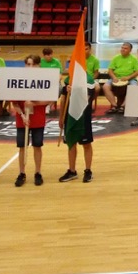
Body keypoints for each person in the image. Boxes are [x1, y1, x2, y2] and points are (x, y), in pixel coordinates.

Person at [57, 54, 95, 184]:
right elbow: (63, 99)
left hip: (83, 117)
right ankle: (72, 171)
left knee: (86, 144)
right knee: (71, 143)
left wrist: (75, 91)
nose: (70, 65)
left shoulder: (88, 80)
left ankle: (88, 170)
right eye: (70, 63)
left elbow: (86, 99)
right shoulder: (68, 80)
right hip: (70, 117)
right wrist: (61, 117)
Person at [10, 54, 47, 187]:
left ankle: (38, 172)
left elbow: (49, 100)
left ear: (38, 65)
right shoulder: (19, 80)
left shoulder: (44, 80)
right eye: (28, 64)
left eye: (33, 64)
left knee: (37, 146)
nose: (30, 67)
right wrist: (22, 115)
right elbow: (14, 103)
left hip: (38, 118)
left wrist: (34, 104)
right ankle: (22, 173)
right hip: (23, 120)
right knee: (22, 147)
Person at [107, 42, 138, 114]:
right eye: (122, 48)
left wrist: (128, 77)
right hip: (116, 78)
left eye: (125, 48)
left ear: (130, 50)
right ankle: (114, 106)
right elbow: (110, 70)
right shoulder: (116, 58)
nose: (123, 49)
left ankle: (123, 106)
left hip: (130, 79)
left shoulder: (134, 59)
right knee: (105, 87)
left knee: (133, 87)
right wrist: (114, 77)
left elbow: (137, 72)